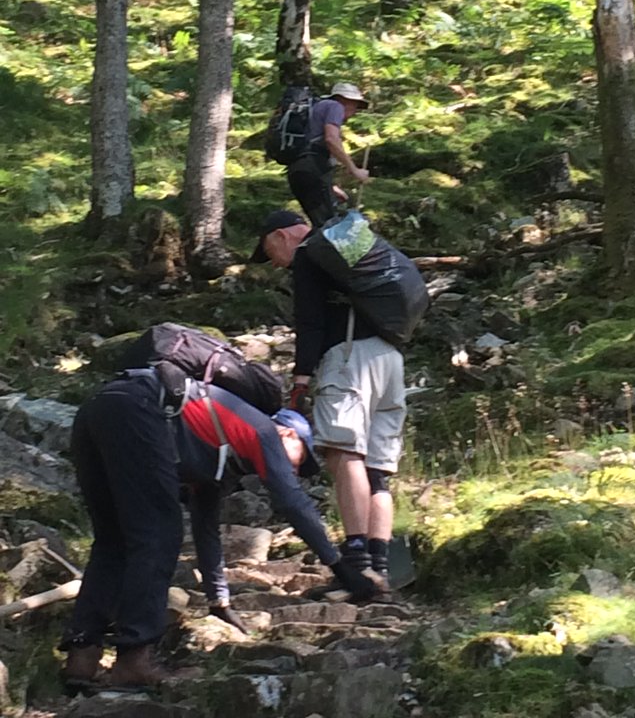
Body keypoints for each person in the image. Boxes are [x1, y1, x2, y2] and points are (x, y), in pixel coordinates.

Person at [60, 369, 379, 693]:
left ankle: (81, 657)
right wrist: (339, 565)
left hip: (99, 407)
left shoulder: (219, 449)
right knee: (158, 535)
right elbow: (293, 503)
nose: (295, 471)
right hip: (138, 407)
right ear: (289, 435)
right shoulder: (264, 432)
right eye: (301, 462)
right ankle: (134, 659)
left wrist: (219, 601)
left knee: (113, 541)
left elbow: (205, 528)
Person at [291, 243, 406, 594]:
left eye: (269, 249)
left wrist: (302, 377)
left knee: (344, 453)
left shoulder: (309, 255)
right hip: (390, 357)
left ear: (280, 236)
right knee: (378, 470)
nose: (275, 260)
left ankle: (357, 564)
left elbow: (310, 320)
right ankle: (382, 568)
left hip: (348, 357)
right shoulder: (353, 247)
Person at [287, 82, 371, 228]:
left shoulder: (317, 108)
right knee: (329, 227)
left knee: (322, 223)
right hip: (311, 170)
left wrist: (330, 186)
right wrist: (354, 170)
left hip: (300, 170)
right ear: (346, 100)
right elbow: (331, 139)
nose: (356, 110)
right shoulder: (335, 106)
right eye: (355, 104)